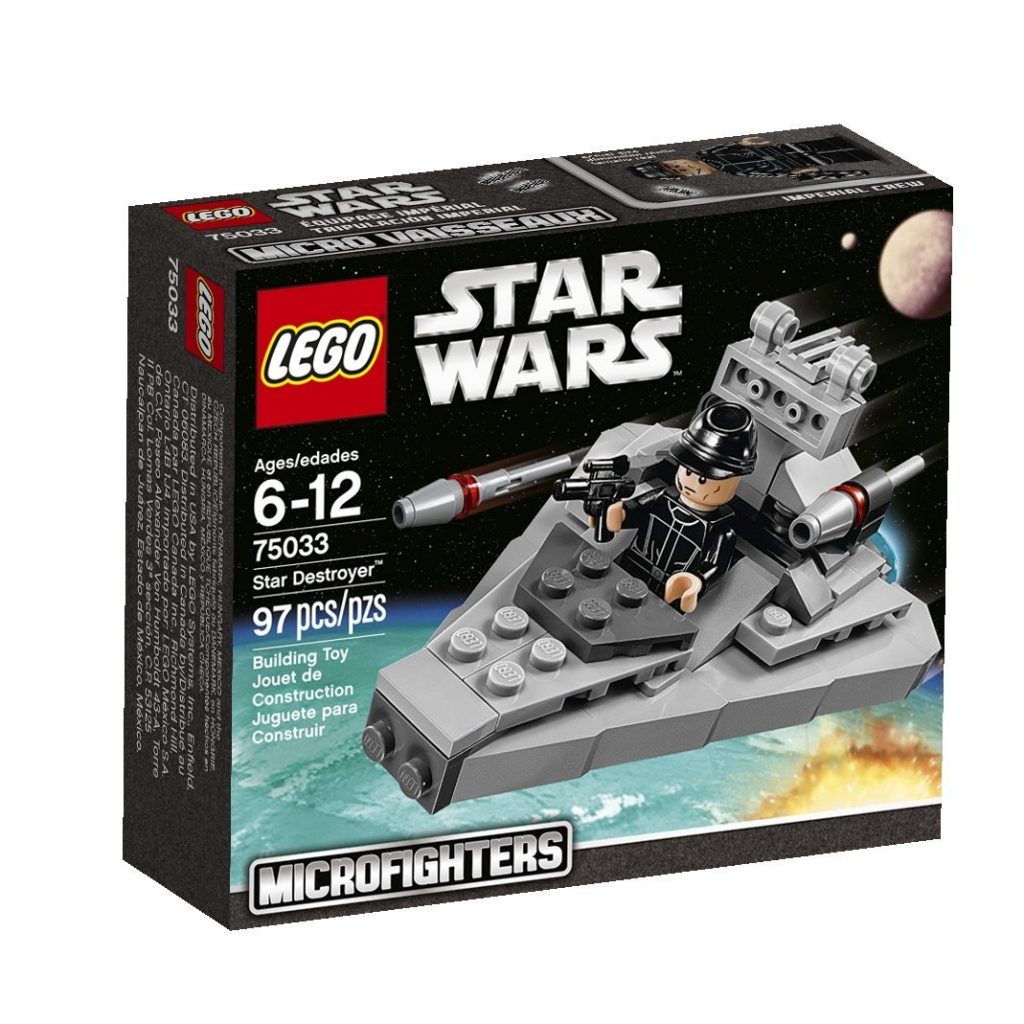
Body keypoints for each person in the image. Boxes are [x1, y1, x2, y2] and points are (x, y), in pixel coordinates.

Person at [603, 401, 758, 613]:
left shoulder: (721, 531)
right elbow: (636, 509)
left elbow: (714, 566)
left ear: (734, 482)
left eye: (702, 479)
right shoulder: (661, 497)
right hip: (629, 572)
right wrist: (618, 513)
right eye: (687, 471)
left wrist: (696, 581)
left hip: (668, 599)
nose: (691, 482)